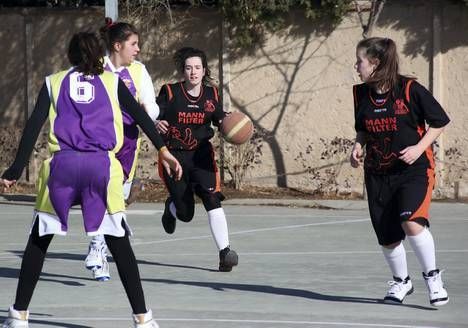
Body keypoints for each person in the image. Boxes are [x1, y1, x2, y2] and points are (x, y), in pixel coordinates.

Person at [1, 31, 182, 328]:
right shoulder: (113, 81)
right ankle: (143, 319)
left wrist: (15, 169)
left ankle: (19, 315)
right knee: (119, 244)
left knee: (39, 238)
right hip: (102, 167)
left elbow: (34, 126)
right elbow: (139, 115)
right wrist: (163, 150)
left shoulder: (54, 81)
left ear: (70, 55)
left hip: (63, 165)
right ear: (99, 55)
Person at [350, 37, 450, 306]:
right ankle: (402, 281)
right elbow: (362, 128)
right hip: (378, 172)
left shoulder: (409, 90)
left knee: (411, 220)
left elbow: (440, 121)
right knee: (387, 235)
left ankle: (433, 277)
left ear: (376, 63)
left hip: (413, 169)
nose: (355, 66)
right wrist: (357, 146)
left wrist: (419, 148)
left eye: (359, 61)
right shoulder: (361, 94)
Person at [84, 18, 160, 281]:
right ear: (117, 46)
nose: (138, 49)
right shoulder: (95, 69)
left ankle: (102, 244)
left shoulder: (139, 71)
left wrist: (150, 114)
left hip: (127, 143)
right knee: (99, 195)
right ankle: (97, 248)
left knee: (117, 199)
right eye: (134, 44)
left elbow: (151, 104)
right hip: (99, 143)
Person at [155, 47, 238, 272]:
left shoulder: (212, 95)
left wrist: (232, 124)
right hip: (174, 156)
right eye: (189, 68)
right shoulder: (170, 92)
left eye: (198, 68)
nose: (193, 72)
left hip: (201, 155)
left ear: (204, 71)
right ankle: (171, 206)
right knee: (186, 214)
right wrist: (155, 122)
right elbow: (153, 113)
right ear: (183, 71)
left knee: (212, 197)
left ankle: (225, 253)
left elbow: (220, 118)